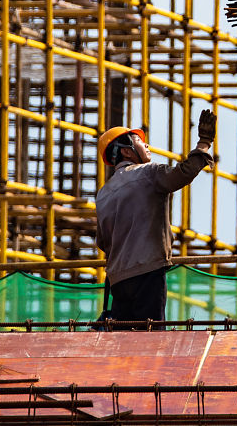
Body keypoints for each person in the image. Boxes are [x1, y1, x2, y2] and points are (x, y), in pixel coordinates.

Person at [94, 109, 216, 327]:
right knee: (151, 340)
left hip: (118, 281)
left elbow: (103, 242)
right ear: (127, 152)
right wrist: (204, 144)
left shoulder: (103, 194)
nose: (147, 145)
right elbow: (183, 173)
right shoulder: (147, 174)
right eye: (139, 141)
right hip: (147, 273)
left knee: (125, 341)